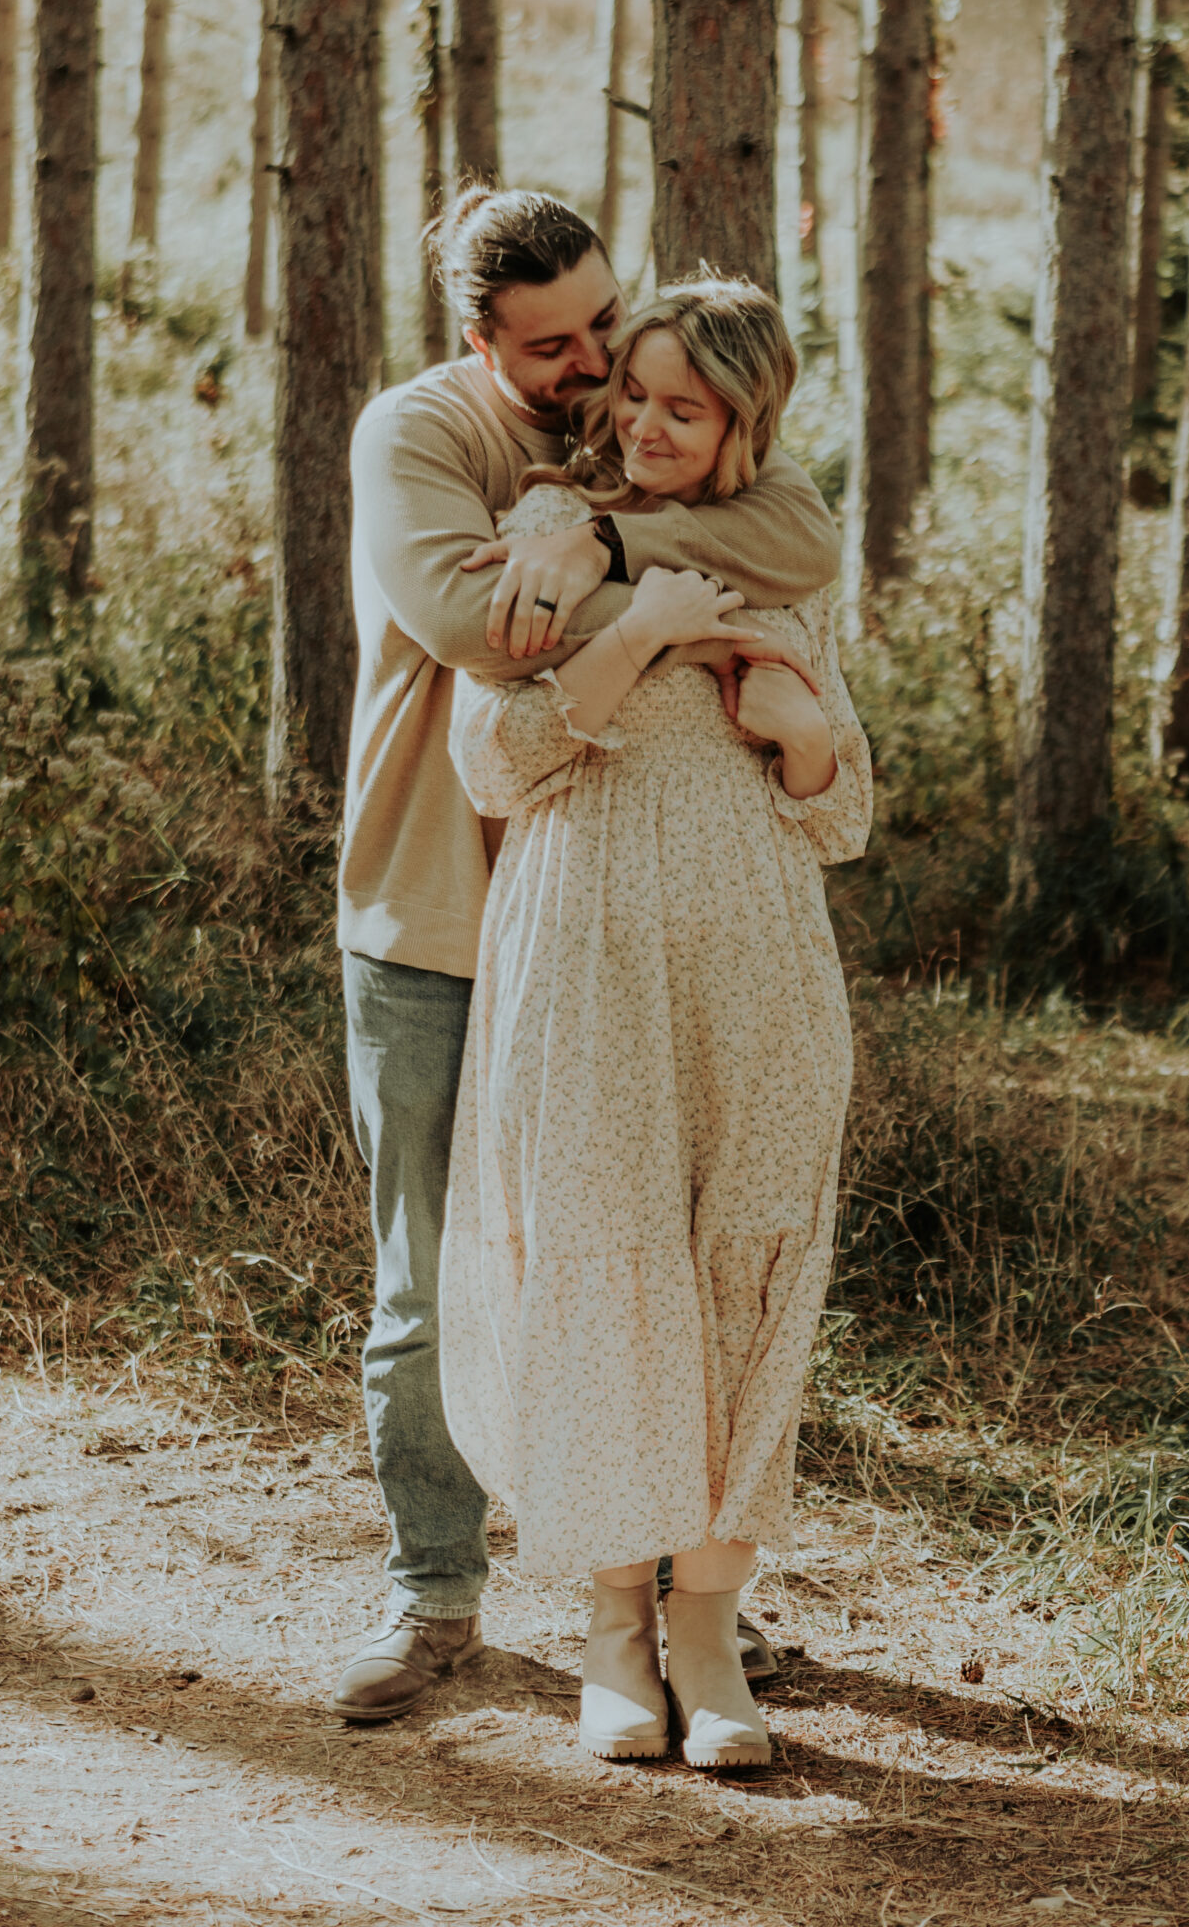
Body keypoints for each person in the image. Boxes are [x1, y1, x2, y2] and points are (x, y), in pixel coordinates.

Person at [331, 192, 841, 1724]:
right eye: (553, 345)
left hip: (640, 931)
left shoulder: (621, 454)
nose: (592, 363)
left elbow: (799, 534)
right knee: (441, 1278)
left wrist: (599, 536)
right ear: (477, 337)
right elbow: (493, 636)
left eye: (603, 328)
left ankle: (682, 1601)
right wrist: (681, 612)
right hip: (444, 910)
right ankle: (439, 1600)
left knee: (652, 1261)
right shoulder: (412, 441)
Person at [440, 277, 872, 1772]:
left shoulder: (786, 549)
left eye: (683, 409)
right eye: (634, 394)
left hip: (758, 966)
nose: (644, 424)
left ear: (747, 421)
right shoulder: (551, 533)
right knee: (605, 1253)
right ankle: (616, 1631)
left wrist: (805, 735)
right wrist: (652, 639)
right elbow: (497, 764)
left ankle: (711, 1629)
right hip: (584, 958)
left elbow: (845, 810)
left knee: (746, 1261)